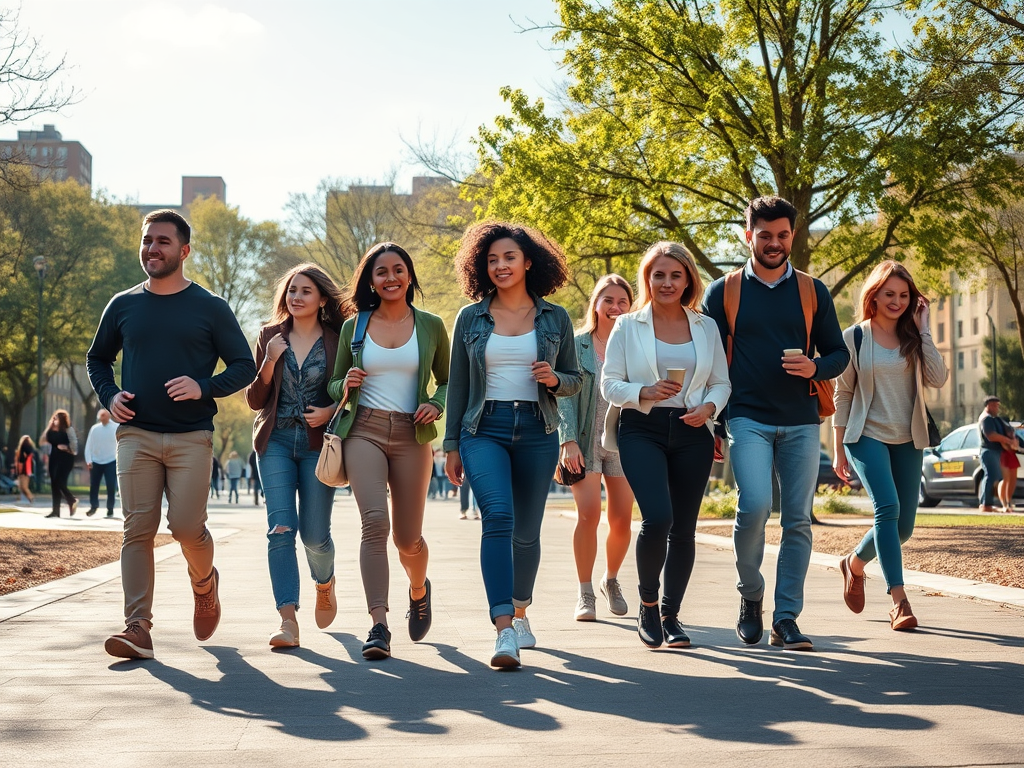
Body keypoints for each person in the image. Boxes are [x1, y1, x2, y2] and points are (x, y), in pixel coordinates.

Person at [87, 209, 257, 660]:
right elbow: (97, 359)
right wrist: (109, 396)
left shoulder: (210, 307)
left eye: (162, 241)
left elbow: (244, 365)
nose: (152, 248)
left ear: (183, 250)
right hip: (136, 435)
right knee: (137, 530)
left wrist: (204, 386)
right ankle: (137, 627)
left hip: (190, 437)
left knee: (185, 527)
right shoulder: (123, 304)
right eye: (147, 240)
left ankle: (205, 583)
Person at [702, 195, 849, 651]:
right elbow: (706, 361)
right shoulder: (722, 292)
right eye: (764, 235)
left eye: (782, 235)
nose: (774, 243)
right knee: (754, 508)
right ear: (748, 235)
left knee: (799, 521)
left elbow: (839, 354)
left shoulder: (812, 290)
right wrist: (712, 420)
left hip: (802, 421)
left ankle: (786, 618)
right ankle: (751, 597)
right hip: (745, 417)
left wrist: (815, 368)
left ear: (792, 236)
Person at [444, 221, 581, 669]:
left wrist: (555, 379)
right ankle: (504, 629)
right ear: (481, 267)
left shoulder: (555, 317)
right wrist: (450, 446)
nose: (500, 266)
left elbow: (576, 380)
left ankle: (521, 610)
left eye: (509, 257)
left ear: (528, 262)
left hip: (538, 429)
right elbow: (459, 387)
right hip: (484, 428)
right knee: (498, 517)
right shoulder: (471, 317)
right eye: (492, 259)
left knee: (527, 532)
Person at [602, 246, 731, 648]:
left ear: (688, 279)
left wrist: (710, 406)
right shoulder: (627, 325)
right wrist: (645, 391)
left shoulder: (706, 326)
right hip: (643, 427)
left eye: (675, 275)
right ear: (648, 279)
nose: (667, 283)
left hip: (694, 429)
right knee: (657, 518)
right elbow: (609, 383)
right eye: (659, 275)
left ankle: (670, 615)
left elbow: (722, 382)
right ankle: (647, 602)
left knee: (685, 528)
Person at [327, 242, 450, 660]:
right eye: (382, 272)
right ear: (371, 280)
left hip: (414, 436)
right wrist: (343, 386)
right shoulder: (355, 327)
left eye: (399, 270)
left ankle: (419, 588)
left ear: (410, 276)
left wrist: (437, 403)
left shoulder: (431, 325)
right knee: (374, 523)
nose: (391, 277)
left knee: (407, 538)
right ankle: (378, 624)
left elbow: (450, 381)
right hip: (365, 431)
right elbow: (334, 382)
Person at [833, 261, 948, 631]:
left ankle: (853, 563)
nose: (896, 301)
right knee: (888, 508)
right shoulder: (855, 337)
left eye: (903, 295)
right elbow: (844, 393)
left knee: (903, 528)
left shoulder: (914, 337)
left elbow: (938, 378)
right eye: (889, 294)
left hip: (908, 437)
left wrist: (924, 329)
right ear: (874, 295)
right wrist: (838, 447)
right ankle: (899, 600)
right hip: (865, 435)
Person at [246, 263, 350, 649]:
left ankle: (325, 582)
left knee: (314, 535)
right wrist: (270, 360)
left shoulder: (338, 340)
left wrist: (329, 412)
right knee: (280, 530)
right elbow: (255, 400)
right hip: (274, 443)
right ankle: (288, 620)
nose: (296, 297)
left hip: (316, 446)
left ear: (322, 298)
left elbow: (351, 391)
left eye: (305, 291)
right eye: (291, 290)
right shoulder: (269, 336)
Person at [557, 274, 637, 622]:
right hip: (586, 440)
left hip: (624, 442)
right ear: (596, 304)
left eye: (623, 301)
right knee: (588, 515)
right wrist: (568, 439)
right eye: (609, 300)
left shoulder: (637, 346)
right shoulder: (576, 344)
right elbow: (563, 395)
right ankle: (585, 591)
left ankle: (611, 580)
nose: (616, 307)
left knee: (621, 520)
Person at [977, 397, 1012, 513]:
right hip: (989, 451)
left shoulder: (992, 419)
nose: (997, 408)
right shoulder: (986, 419)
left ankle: (988, 504)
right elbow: (991, 435)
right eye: (996, 405)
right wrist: (1008, 440)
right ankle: (986, 505)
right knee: (991, 476)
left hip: (995, 451)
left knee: (995, 477)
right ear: (989, 405)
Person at [41, 409, 78, 519]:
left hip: (66, 459)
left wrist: (66, 448)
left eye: (56, 418)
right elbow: (42, 440)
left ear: (61, 419)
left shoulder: (68, 430)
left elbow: (75, 448)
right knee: (54, 484)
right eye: (53, 418)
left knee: (59, 482)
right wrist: (49, 426)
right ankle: (55, 511)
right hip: (54, 459)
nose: (54, 420)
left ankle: (71, 500)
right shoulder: (51, 432)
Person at [84, 409, 118, 517]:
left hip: (111, 461)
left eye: (103, 415)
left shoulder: (116, 427)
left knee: (111, 485)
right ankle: (94, 506)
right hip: (96, 461)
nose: (101, 418)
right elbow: (89, 445)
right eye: (100, 416)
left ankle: (110, 508)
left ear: (109, 416)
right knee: (94, 485)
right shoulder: (94, 429)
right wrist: (89, 460)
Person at [997, 417, 1020, 513]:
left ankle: (1009, 500)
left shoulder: (1011, 431)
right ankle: (1004, 504)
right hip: (1003, 456)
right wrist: (1011, 444)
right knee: (1005, 479)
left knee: (1013, 480)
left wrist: (1014, 444)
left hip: (1012, 456)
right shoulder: (1000, 431)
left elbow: (1015, 446)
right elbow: (1005, 445)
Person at [15, 435, 36, 504]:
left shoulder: (23, 450)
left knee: (23, 486)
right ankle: (30, 498)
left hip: (24, 469)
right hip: (27, 469)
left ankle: (31, 498)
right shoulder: (29, 450)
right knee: (23, 487)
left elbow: (21, 460)